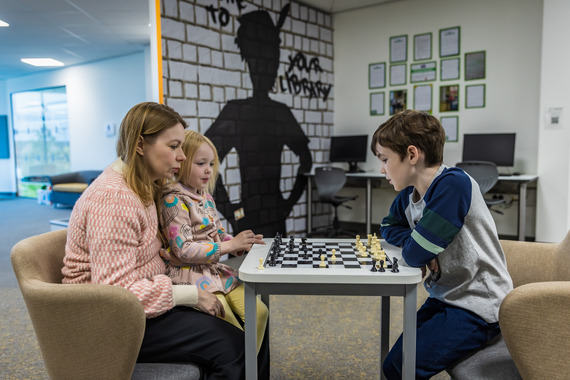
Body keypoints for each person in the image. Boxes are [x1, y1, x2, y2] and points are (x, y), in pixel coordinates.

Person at [61, 101, 269, 380]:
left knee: (257, 320)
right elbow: (115, 295)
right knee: (233, 346)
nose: (182, 157)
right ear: (139, 145)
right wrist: (192, 296)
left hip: (147, 298)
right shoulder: (114, 198)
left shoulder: (147, 185)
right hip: (111, 322)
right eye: (173, 147)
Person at [371, 110, 513, 379]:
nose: (381, 169)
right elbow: (388, 227)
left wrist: (421, 250)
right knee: (394, 365)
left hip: (478, 305)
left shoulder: (453, 185)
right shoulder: (409, 195)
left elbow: (413, 255)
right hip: (445, 297)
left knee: (402, 367)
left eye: (385, 159)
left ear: (412, 155)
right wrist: (421, 248)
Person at [204, 4, 313, 236]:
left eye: (270, 58)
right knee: (253, 267)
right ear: (249, 60)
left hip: (266, 213)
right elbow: (205, 160)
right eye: (259, 58)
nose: (265, 66)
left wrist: (286, 205)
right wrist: (230, 210)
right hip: (252, 214)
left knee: (271, 265)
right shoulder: (238, 112)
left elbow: (306, 159)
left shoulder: (275, 113)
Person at [159, 130, 268, 353]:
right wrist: (229, 245)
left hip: (216, 270)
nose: (208, 169)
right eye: (201, 163)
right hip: (192, 275)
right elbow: (184, 250)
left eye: (211, 163)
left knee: (260, 313)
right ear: (181, 162)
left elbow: (217, 235)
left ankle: (249, 368)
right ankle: (243, 366)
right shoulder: (172, 199)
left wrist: (240, 244)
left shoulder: (205, 197)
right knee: (229, 325)